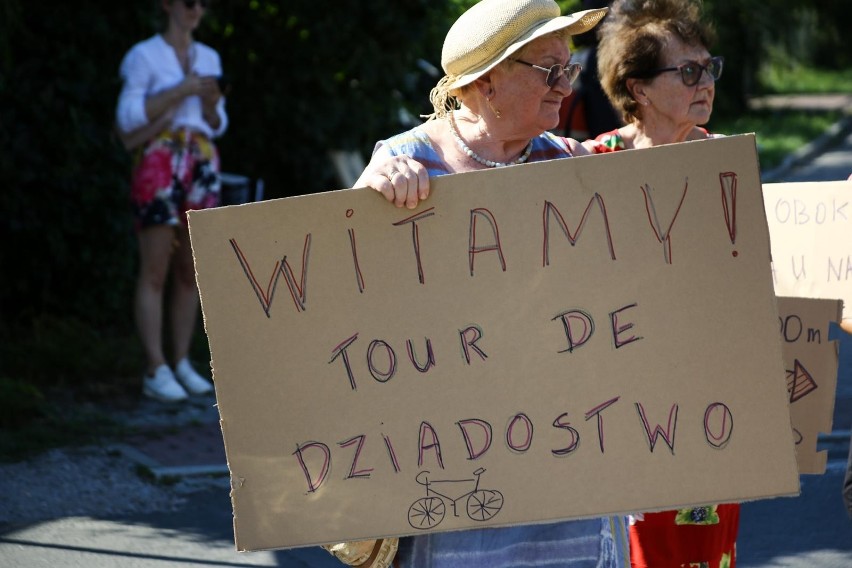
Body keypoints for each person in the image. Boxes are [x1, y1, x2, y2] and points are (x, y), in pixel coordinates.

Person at [321, 1, 630, 567]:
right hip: (455, 471)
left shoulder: (567, 163)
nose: (566, 87)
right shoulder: (404, 164)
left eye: (569, 68)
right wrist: (368, 207)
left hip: (562, 462)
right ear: (487, 82)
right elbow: (346, 308)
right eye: (549, 70)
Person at [582, 1, 739, 566]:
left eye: (709, 69)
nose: (706, 84)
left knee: (701, 551)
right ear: (639, 89)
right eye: (688, 71)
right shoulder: (588, 164)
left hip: (705, 408)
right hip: (614, 409)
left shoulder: (725, 165)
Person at [115, 0, 227, 403]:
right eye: (188, 2)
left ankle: (180, 362)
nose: (196, 9)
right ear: (166, 4)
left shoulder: (209, 56)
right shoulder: (144, 55)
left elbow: (218, 124)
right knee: (155, 269)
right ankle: (155, 367)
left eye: (202, 3)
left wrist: (211, 103)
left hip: (200, 158)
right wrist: (180, 90)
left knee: (189, 270)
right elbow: (128, 119)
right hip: (161, 158)